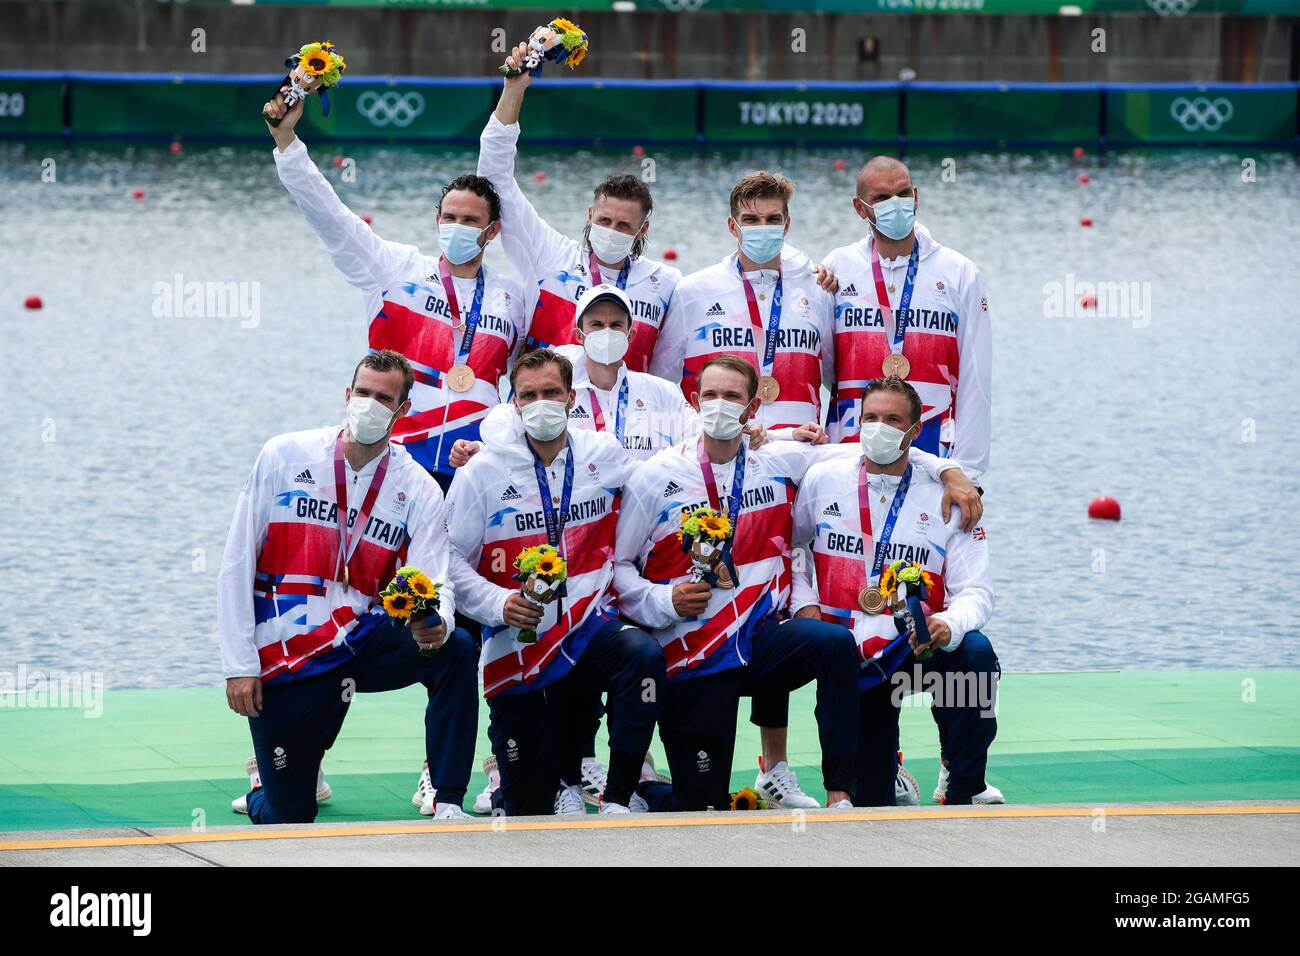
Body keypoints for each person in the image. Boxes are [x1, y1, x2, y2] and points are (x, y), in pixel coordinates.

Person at [614, 356, 969, 811]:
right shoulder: (656, 475)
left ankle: (840, 791)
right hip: (695, 652)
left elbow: (880, 450)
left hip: (761, 642)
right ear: (692, 400)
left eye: (732, 397)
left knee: (833, 643)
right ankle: (649, 791)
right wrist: (663, 600)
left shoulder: (780, 459)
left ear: (752, 407)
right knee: (701, 808)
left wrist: (949, 472)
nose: (720, 405)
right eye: (710, 396)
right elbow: (619, 567)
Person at [218, 351, 479, 822]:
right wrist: (239, 665)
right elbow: (237, 561)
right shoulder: (284, 454)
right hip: (289, 649)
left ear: (401, 412)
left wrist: (435, 621)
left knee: (456, 648)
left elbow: (433, 576)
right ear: (347, 395)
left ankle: (447, 800)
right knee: (287, 818)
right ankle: (268, 784)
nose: (370, 405)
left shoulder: (417, 486)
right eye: (363, 393)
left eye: (384, 398)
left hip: (362, 641)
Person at [264, 87, 527, 491]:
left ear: (493, 231)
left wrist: (506, 447)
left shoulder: (514, 298)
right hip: (395, 460)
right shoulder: (394, 269)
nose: (457, 226)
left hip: (473, 469)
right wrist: (286, 141)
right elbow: (330, 216)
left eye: (470, 221)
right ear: (437, 219)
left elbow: (528, 386)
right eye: (450, 217)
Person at [444, 349, 665, 815]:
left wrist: (763, 440)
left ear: (570, 398)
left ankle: (621, 797)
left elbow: (668, 475)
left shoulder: (604, 455)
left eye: (551, 393)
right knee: (531, 809)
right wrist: (499, 602)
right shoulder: (481, 472)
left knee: (642, 655)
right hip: (520, 638)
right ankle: (531, 784)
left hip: (589, 626)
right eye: (529, 395)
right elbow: (450, 560)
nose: (541, 402)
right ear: (514, 403)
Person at [791, 376, 1001, 806]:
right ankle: (883, 776)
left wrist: (948, 624)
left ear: (915, 429)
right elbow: (793, 549)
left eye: (892, 420)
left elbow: (977, 592)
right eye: (870, 418)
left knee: (975, 654)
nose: (878, 428)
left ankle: (963, 786)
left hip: (916, 647)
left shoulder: (950, 497)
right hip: (851, 656)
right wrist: (803, 604)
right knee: (874, 802)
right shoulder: (822, 479)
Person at [477, 41, 681, 373]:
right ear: (590, 215)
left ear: (642, 230)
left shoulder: (667, 284)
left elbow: (666, 374)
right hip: (544, 413)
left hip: (621, 419)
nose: (611, 231)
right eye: (604, 220)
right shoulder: (547, 254)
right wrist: (513, 89)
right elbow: (493, 178)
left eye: (623, 226)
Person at [821, 156, 991, 486]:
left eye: (902, 194)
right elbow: (825, 369)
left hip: (933, 449)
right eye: (882, 199)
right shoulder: (837, 267)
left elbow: (976, 378)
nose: (895, 205)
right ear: (860, 208)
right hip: (849, 448)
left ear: (917, 197)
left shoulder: (958, 272)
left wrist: (966, 471)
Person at [649, 171, 837, 434]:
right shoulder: (693, 291)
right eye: (750, 220)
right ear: (732, 226)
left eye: (772, 219)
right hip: (718, 452)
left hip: (798, 453)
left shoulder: (817, 290)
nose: (762, 227)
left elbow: (836, 377)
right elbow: (661, 384)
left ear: (786, 225)